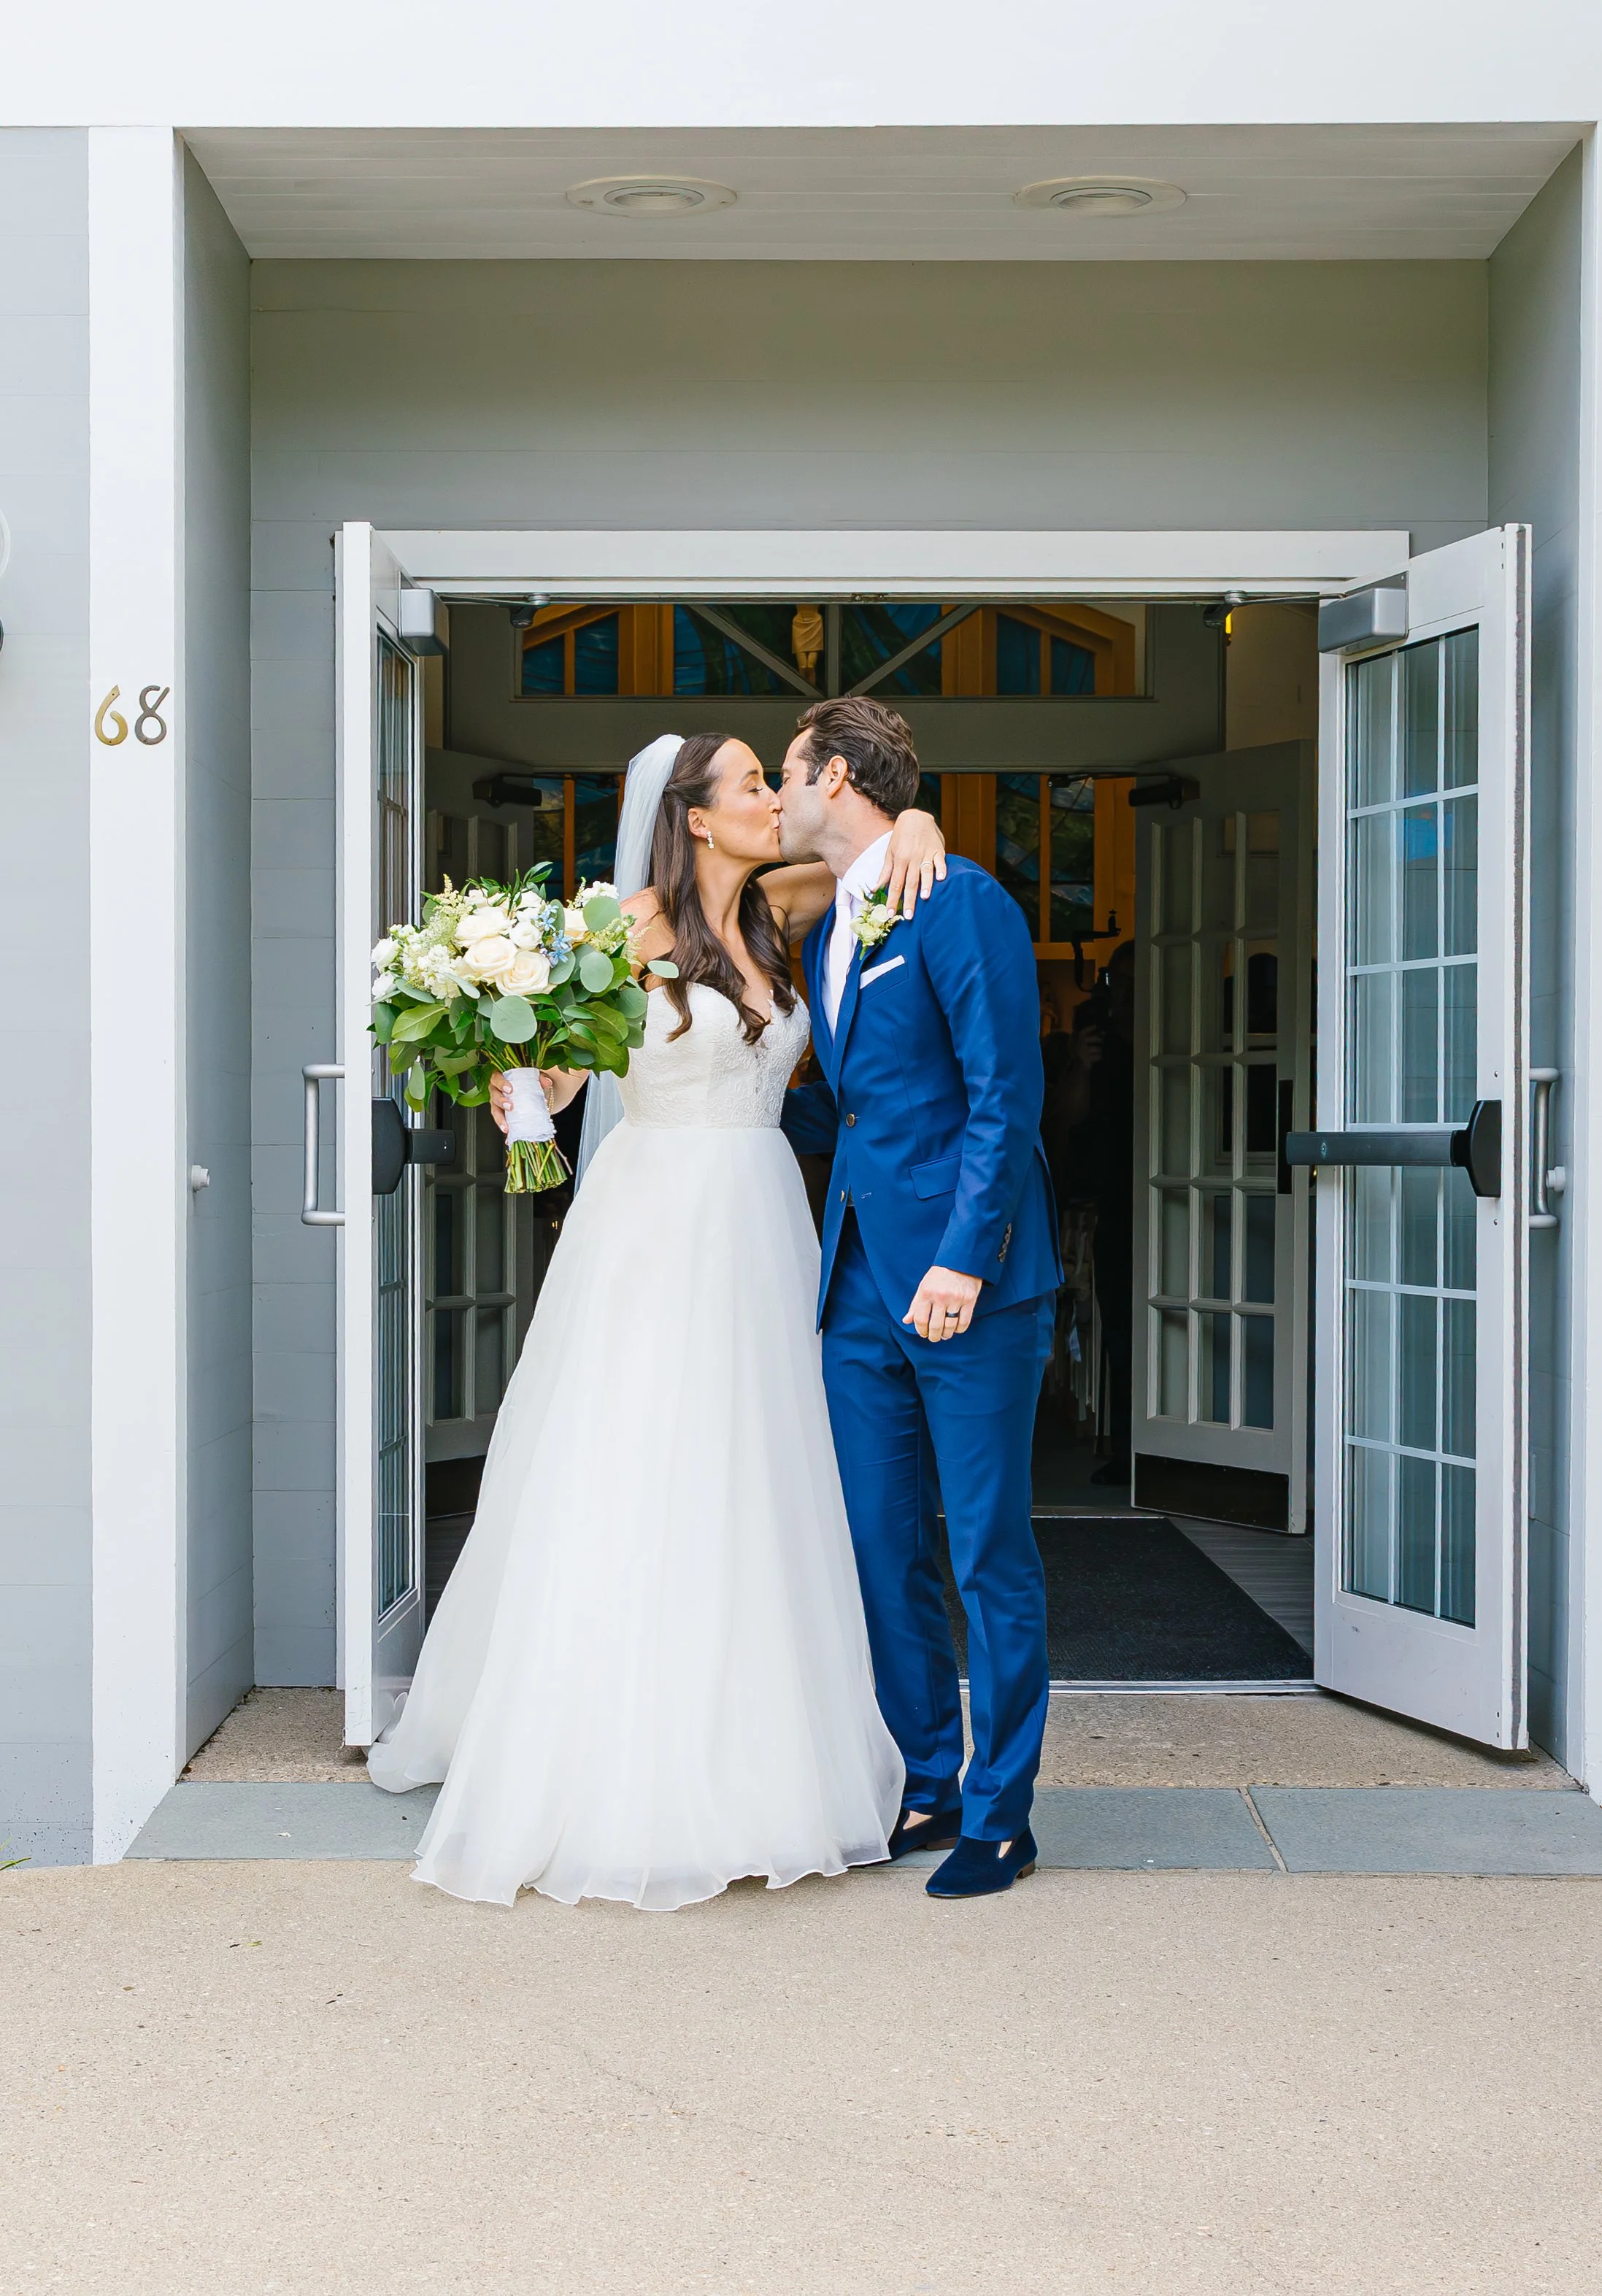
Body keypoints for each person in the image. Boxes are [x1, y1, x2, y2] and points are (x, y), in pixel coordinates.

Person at [366, 731, 946, 1911]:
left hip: (761, 1221)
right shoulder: (624, 930)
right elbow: (561, 1090)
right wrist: (511, 1068)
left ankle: (761, 1747)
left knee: (759, 1482)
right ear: (691, 815)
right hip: (655, 1220)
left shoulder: (784, 913)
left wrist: (924, 824)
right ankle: (619, 1761)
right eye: (747, 786)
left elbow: (887, 855)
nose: (769, 800)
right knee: (638, 1470)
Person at [777, 698, 1063, 1899]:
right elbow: (844, 1108)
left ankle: (1004, 1813)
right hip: (854, 1288)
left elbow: (1006, 1093)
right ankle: (930, 1778)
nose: (780, 797)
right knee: (880, 1547)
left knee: (987, 1548)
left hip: (967, 1289)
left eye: (788, 774)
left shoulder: (963, 901)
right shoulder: (821, 932)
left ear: (837, 777)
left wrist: (964, 1257)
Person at [1052, 941, 1136, 1487]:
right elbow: (1062, 1120)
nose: (1126, 994)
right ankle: (1129, 1448)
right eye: (1118, 981)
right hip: (1114, 1199)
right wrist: (1081, 1065)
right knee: (1121, 1327)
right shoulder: (1095, 1044)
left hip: (1176, 1192)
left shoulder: (1185, 1035)